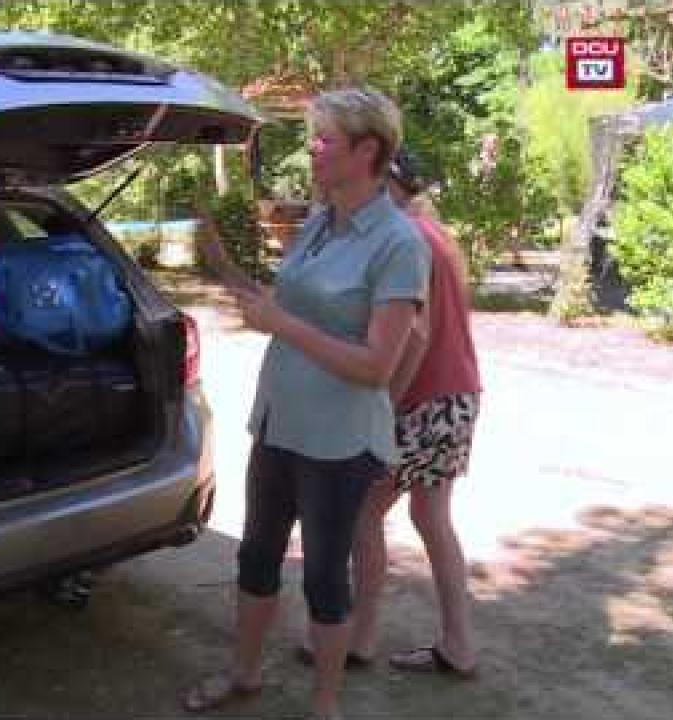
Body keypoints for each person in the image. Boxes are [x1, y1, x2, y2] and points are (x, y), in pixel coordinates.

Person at [184, 88, 430, 720]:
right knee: (256, 556)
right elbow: (282, 306)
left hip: (340, 440)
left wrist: (280, 325)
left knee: (324, 575)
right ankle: (244, 676)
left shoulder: (400, 243)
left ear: (367, 150)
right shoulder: (321, 222)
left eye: (324, 140)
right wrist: (218, 260)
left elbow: (377, 364)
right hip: (279, 422)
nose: (312, 150)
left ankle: (325, 707)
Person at [336, 147, 483, 678]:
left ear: (392, 186)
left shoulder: (407, 239)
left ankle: (360, 637)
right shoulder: (435, 235)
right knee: (431, 518)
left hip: (420, 401)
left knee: (363, 514)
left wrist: (382, 407)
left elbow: (415, 336)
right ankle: (459, 645)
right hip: (457, 397)